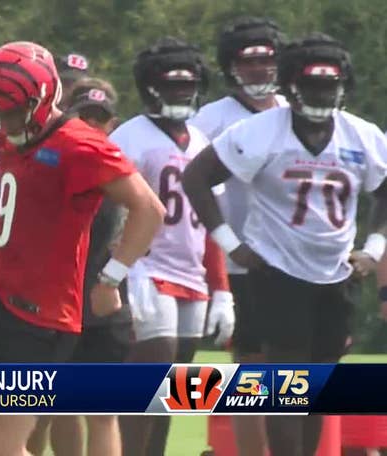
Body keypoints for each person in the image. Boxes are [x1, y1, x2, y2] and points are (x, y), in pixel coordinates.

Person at [0, 41, 165, 456]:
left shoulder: (82, 145)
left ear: (40, 100)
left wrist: (112, 276)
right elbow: (7, 214)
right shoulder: (8, 136)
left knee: (2, 448)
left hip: (41, 316)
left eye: (10, 111)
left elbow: (148, 208)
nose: (2, 120)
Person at [183, 33, 387, 456]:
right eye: (313, 85)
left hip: (336, 272)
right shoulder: (260, 131)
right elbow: (196, 177)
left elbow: (385, 188)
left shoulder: (361, 135)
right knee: (285, 386)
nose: (322, 94)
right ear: (292, 85)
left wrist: (375, 246)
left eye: (329, 85)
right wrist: (230, 244)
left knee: (319, 387)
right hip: (277, 271)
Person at [106, 37, 234, 456]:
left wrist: (222, 288)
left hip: (191, 270)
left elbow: (207, 220)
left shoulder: (200, 140)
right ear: (150, 87)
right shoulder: (130, 136)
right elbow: (111, 213)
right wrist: (124, 269)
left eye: (187, 85)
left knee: (175, 388)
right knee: (148, 376)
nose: (182, 93)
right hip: (147, 269)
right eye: (172, 85)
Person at [187, 16, 287, 456]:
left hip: (290, 261)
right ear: (231, 67)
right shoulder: (211, 119)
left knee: (292, 374)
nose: (261, 70)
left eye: (268, 60)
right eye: (250, 62)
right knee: (250, 373)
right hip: (237, 259)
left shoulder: (292, 110)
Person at [26, 78, 128, 456]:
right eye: (83, 116)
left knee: (103, 413)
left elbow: (147, 218)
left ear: (112, 124)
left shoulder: (120, 171)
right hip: (49, 306)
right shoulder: (42, 162)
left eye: (98, 119)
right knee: (40, 409)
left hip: (100, 306)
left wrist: (115, 278)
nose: (90, 125)